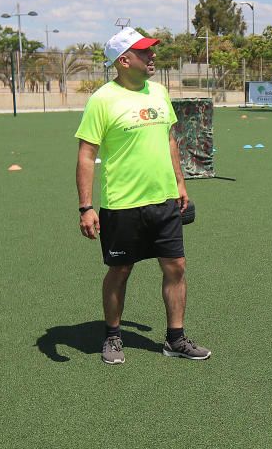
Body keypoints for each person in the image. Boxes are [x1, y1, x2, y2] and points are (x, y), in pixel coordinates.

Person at [74, 27, 211, 365]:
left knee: (176, 266)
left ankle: (175, 339)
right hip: (122, 204)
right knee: (120, 270)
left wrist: (180, 183)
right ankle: (112, 336)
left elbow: (169, 140)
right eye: (144, 51)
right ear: (123, 60)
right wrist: (86, 206)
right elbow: (86, 155)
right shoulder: (102, 99)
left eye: (151, 51)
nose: (152, 56)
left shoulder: (159, 92)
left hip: (163, 199)